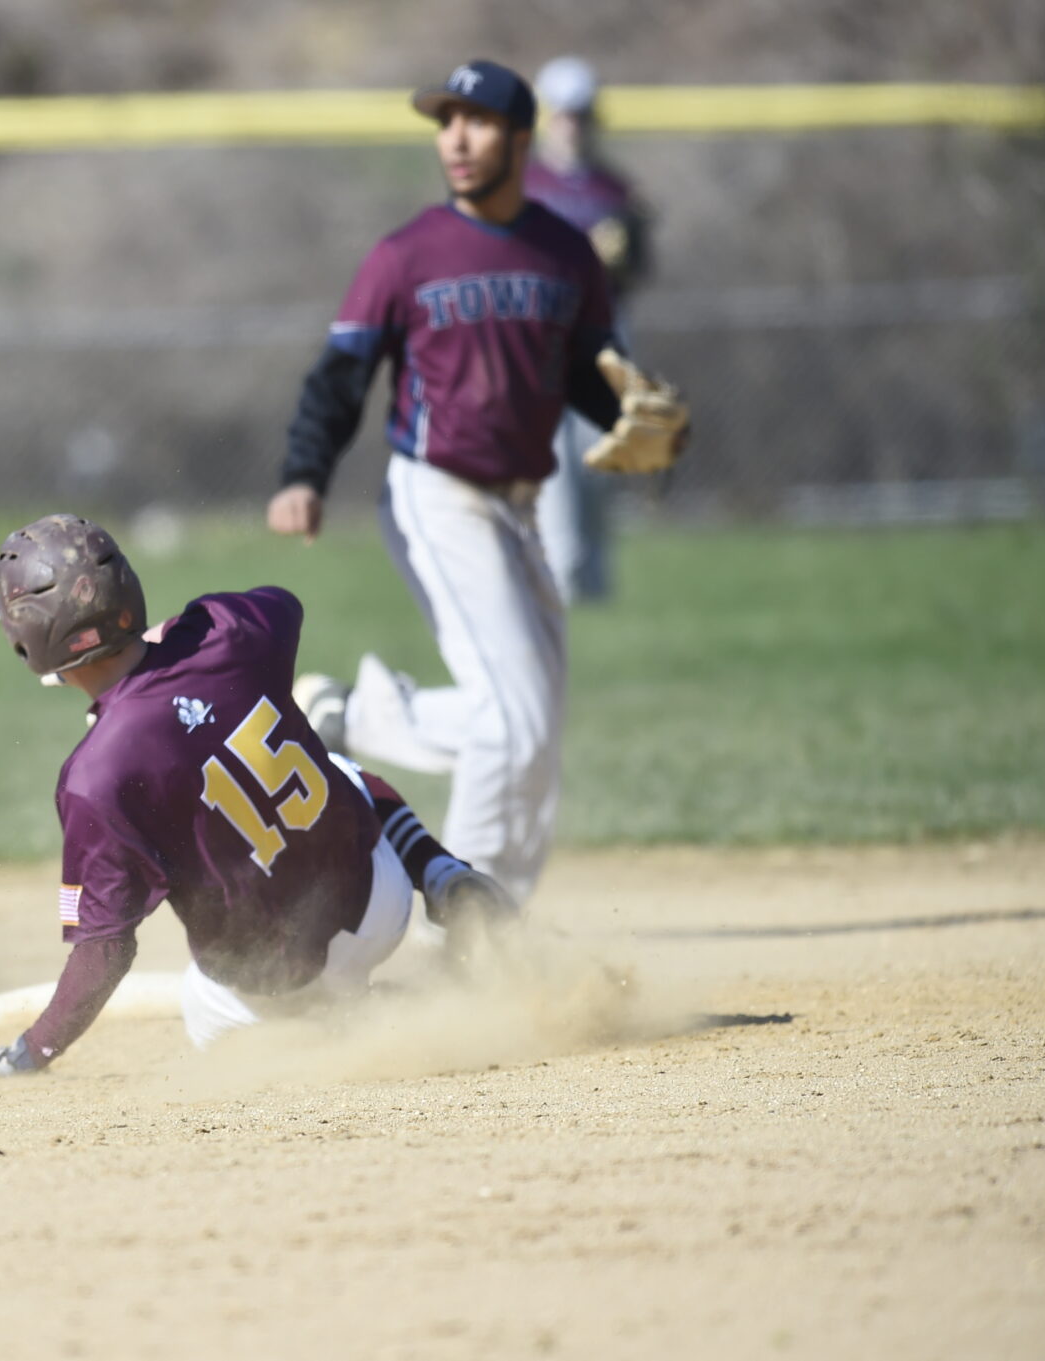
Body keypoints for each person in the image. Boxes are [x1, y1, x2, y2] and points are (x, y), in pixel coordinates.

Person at [266, 60, 682, 903]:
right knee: (513, 715)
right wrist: (305, 472)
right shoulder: (408, 253)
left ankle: (380, 739)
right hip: (439, 495)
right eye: (444, 121)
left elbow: (590, 378)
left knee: (535, 725)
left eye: (477, 120)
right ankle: (469, 915)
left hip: (521, 504)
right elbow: (342, 374)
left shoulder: (566, 253)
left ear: (520, 138)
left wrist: (645, 429)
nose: (455, 137)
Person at [0, 514, 514, 1078]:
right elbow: (282, 603)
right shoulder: (222, 631)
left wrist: (33, 1050)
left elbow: (106, 951)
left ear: (29, 638)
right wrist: (174, 639)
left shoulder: (93, 778)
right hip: (382, 899)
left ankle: (367, 1022)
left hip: (278, 984)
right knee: (331, 764)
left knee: (206, 1018)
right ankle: (440, 873)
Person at [526, 56, 653, 604]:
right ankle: (564, 578)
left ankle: (595, 581)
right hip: (540, 339)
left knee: (600, 458)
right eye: (561, 113)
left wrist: (622, 257)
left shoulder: (615, 190)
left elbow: (641, 269)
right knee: (553, 465)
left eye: (579, 113)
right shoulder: (522, 184)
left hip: (600, 336)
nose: (570, 124)